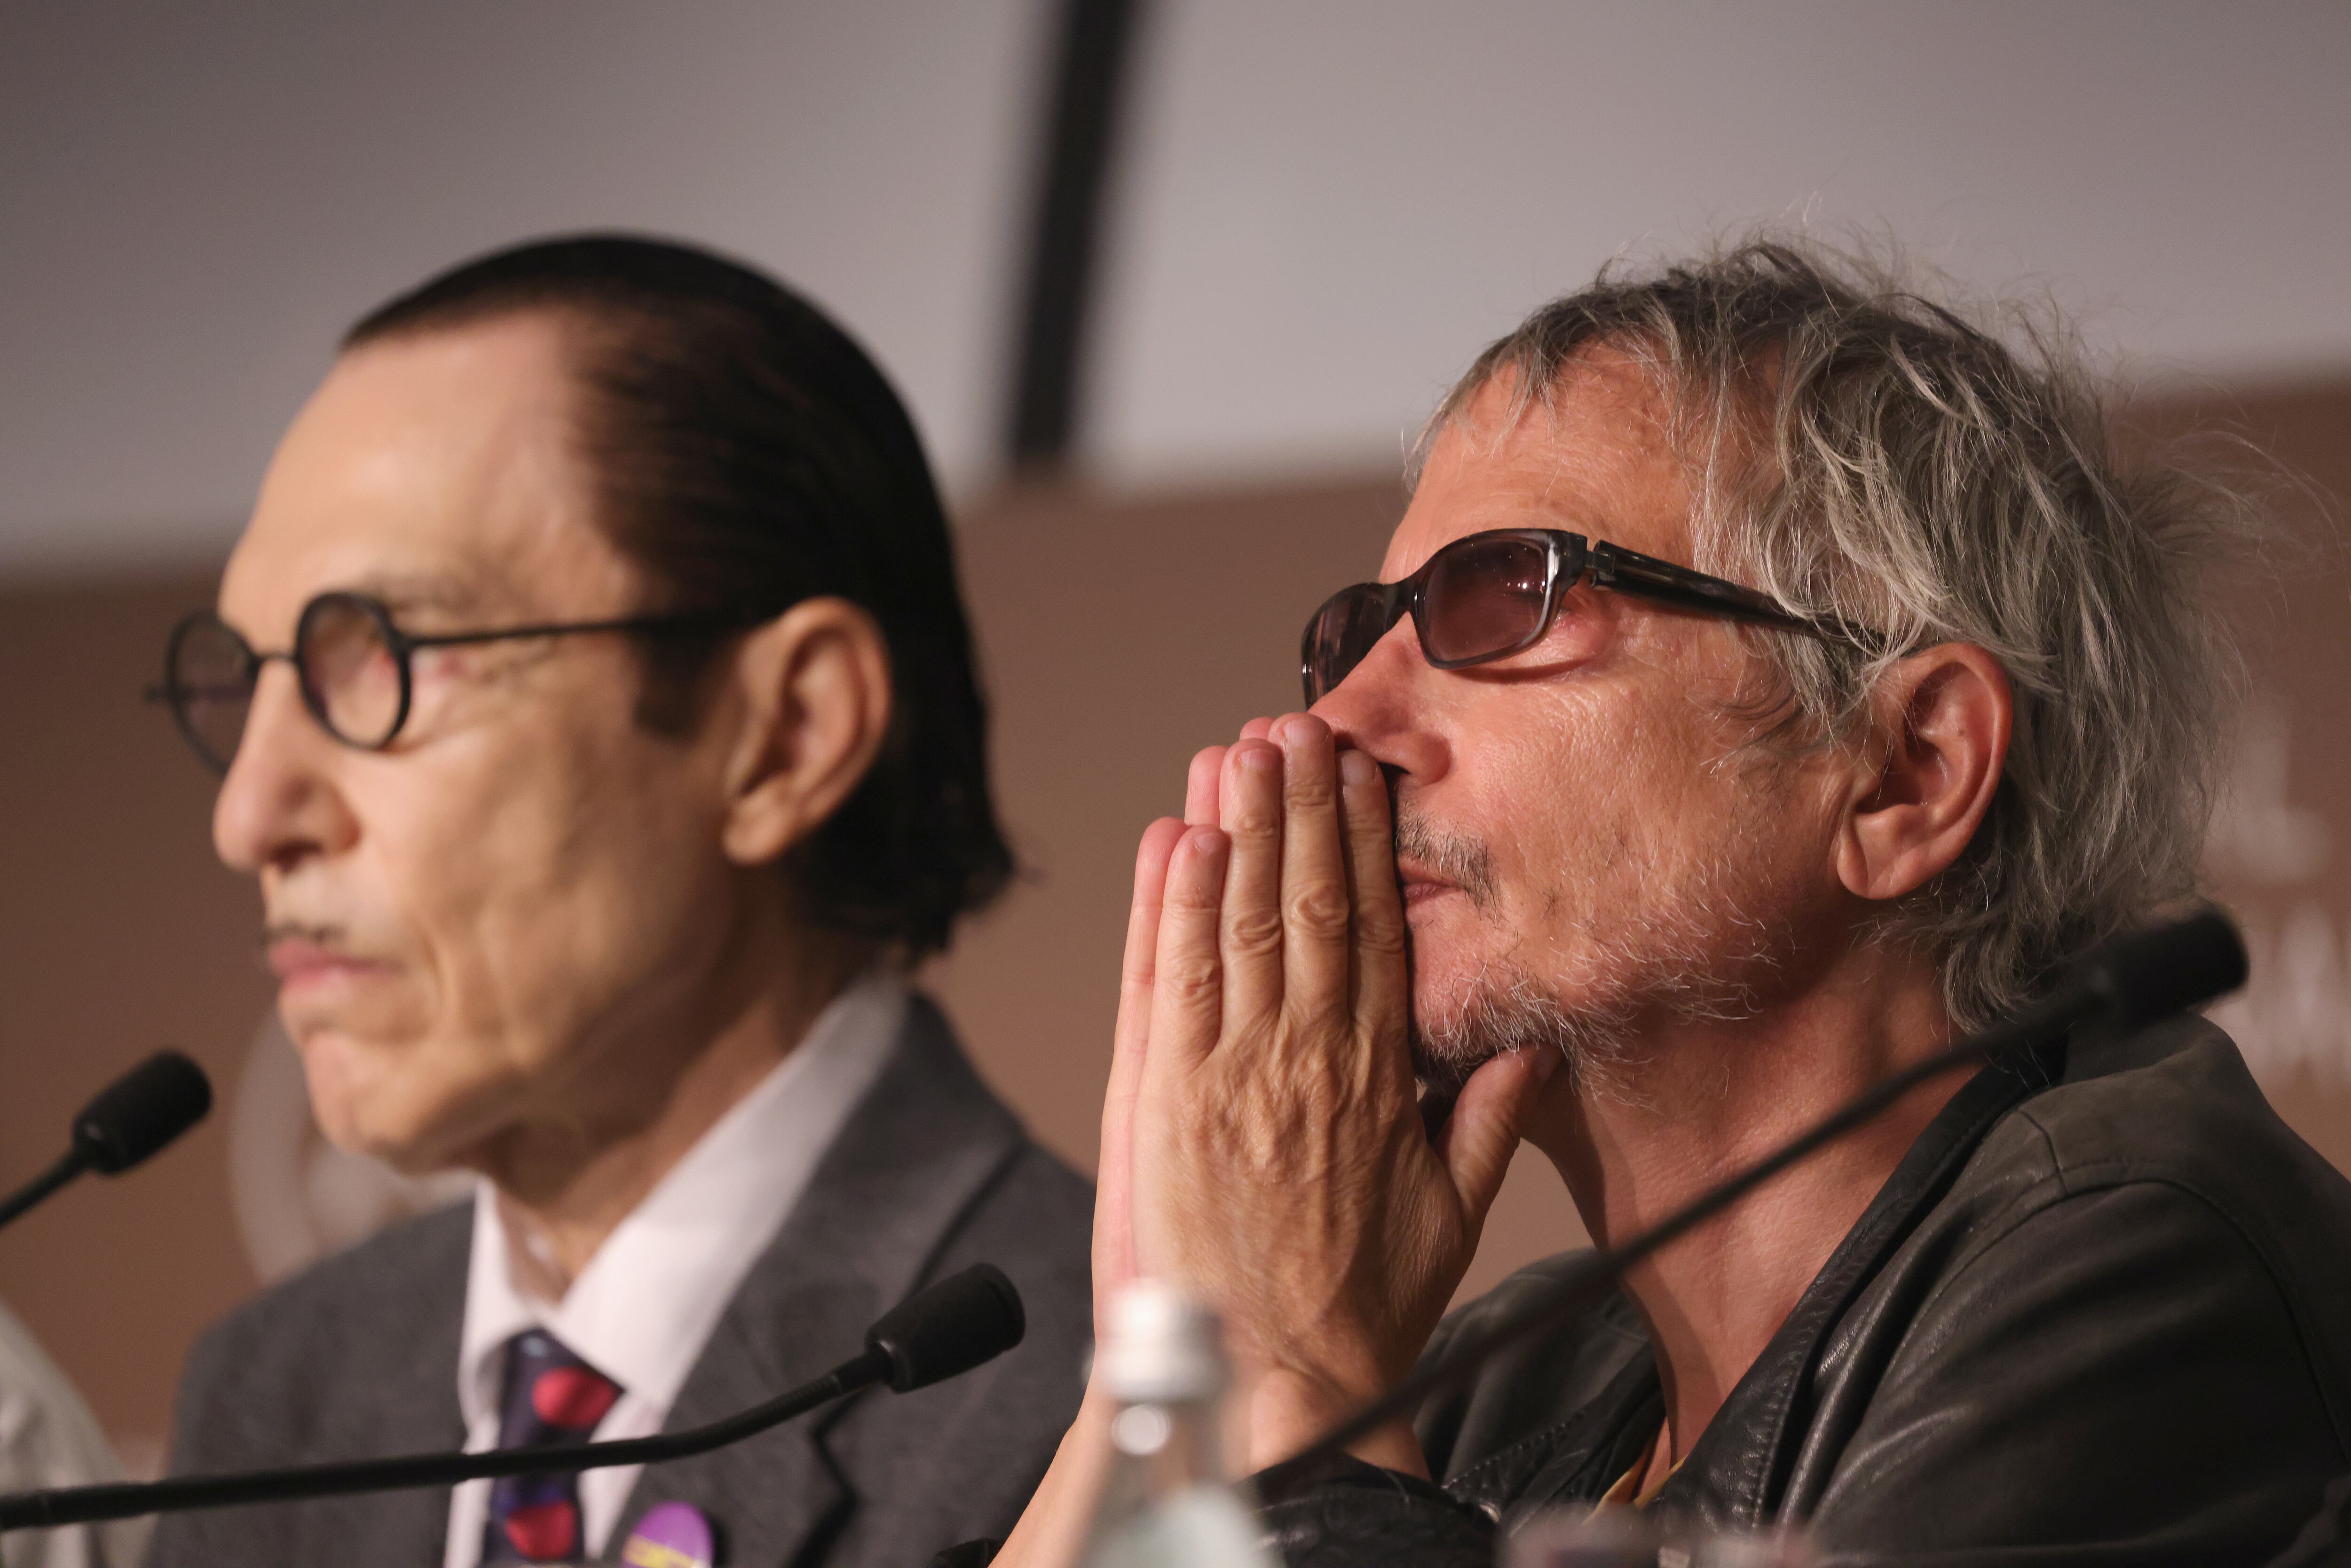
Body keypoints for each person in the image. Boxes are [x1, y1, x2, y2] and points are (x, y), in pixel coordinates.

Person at [996, 241, 2351, 1568]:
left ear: (1905, 773)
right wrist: (1157, 1375)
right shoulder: (1520, 1381)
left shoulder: (2140, 1276)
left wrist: (1280, 1383)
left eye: (1506, 598)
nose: (1344, 722)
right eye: (1356, 640)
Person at [142, 236, 1092, 1568]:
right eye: (252, 684)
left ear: (787, 733)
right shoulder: (281, 1395)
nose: (250, 816)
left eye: (386, 662)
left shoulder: (1088, 1410)